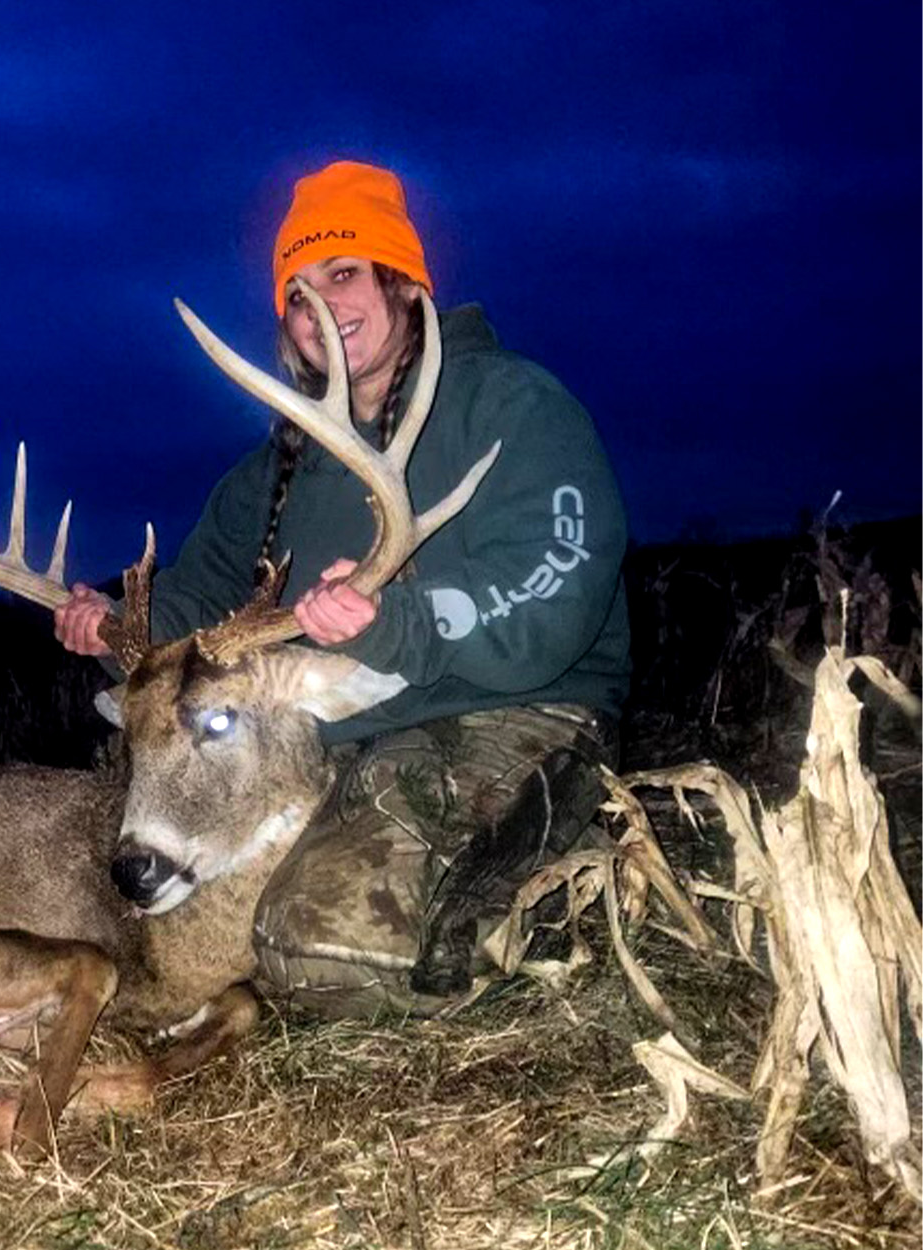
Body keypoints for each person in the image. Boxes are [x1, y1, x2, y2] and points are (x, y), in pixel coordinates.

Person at [54, 160, 630, 1016]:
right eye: (297, 291)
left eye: (344, 274)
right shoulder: (272, 471)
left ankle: (548, 895)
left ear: (402, 285)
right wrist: (117, 632)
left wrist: (397, 619)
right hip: (338, 733)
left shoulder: (512, 404)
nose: (320, 305)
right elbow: (199, 610)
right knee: (216, 919)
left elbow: (558, 583)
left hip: (517, 712)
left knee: (316, 951)